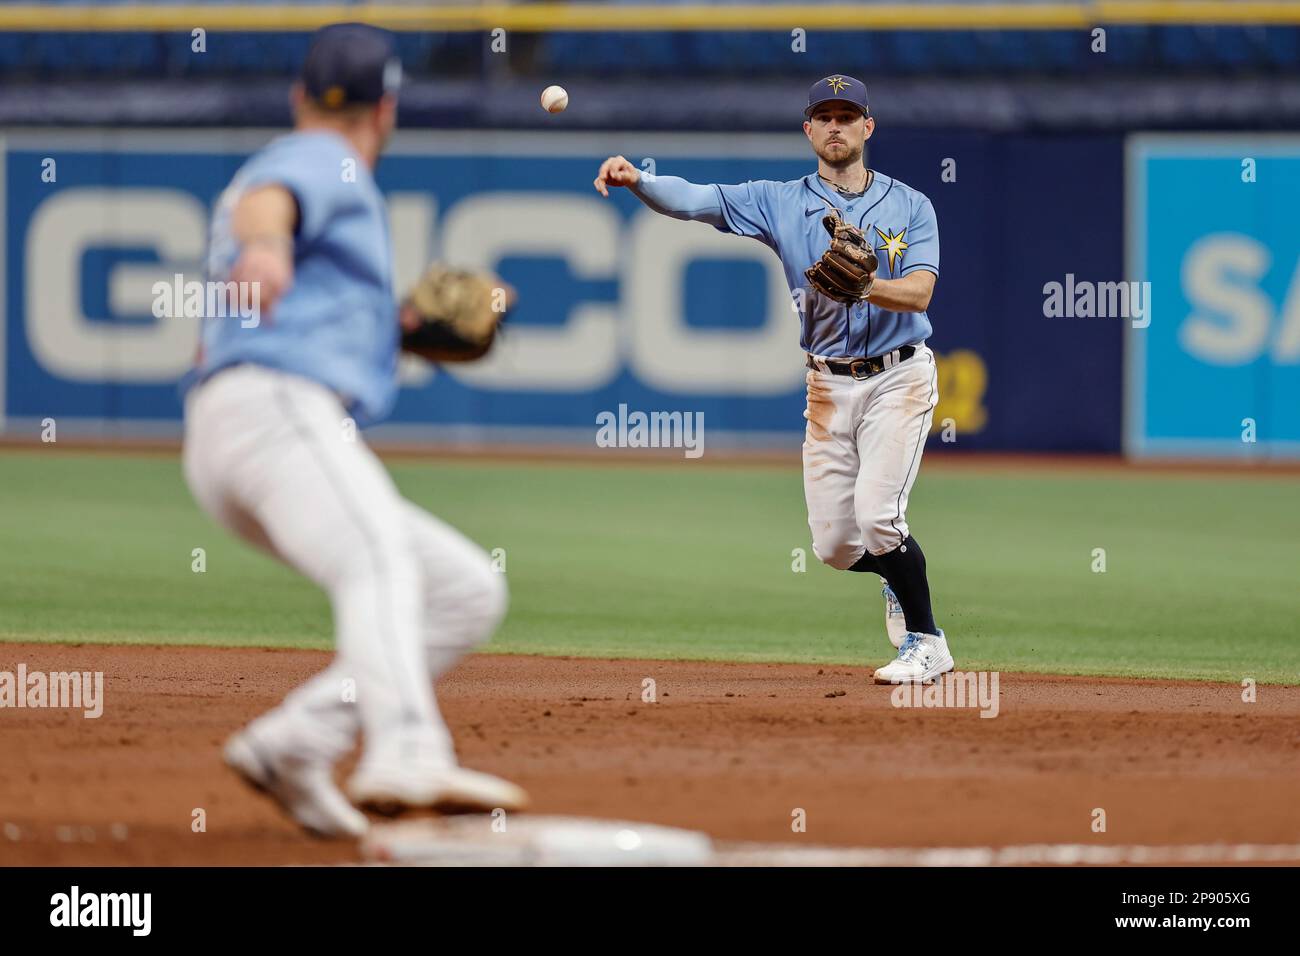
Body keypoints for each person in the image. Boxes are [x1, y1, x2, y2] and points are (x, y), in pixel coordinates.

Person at [181, 23, 526, 837]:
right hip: (277, 413)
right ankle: (405, 749)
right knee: (377, 563)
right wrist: (264, 248)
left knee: (462, 591)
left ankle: (294, 744)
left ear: (301, 94)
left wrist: (405, 324)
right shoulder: (323, 159)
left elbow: (309, 297)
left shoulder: (315, 165)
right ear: (390, 109)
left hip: (251, 427)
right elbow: (273, 204)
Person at [594, 74, 954, 685]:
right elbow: (696, 198)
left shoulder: (912, 204)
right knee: (836, 548)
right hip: (826, 385)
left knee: (877, 517)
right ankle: (896, 578)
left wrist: (867, 286)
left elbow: (920, 291)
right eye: (824, 116)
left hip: (899, 377)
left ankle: (927, 641)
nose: (836, 126)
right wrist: (640, 182)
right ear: (809, 129)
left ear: (868, 127)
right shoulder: (777, 200)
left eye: (848, 115)